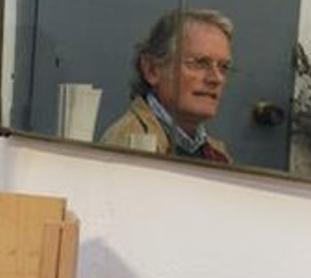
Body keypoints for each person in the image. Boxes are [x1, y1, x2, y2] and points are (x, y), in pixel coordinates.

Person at [100, 9, 234, 163]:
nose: (216, 79)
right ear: (152, 70)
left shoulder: (217, 154)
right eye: (200, 63)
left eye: (223, 67)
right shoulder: (129, 143)